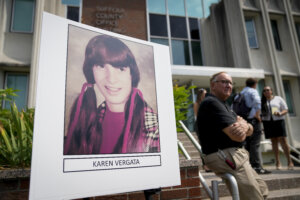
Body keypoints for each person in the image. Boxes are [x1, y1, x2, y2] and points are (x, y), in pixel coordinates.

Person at [64, 35, 160, 155]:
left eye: (120, 68)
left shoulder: (155, 129)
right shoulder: (86, 121)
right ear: (91, 72)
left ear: (132, 74)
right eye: (101, 66)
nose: (111, 79)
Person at [197, 72, 268, 200]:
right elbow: (238, 137)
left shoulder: (225, 105)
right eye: (224, 82)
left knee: (262, 190)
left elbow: (249, 130)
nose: (228, 85)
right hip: (225, 154)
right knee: (253, 197)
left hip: (236, 155)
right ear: (213, 85)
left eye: (230, 82)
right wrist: (244, 125)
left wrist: (244, 125)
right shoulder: (212, 103)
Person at [239, 78, 271, 174]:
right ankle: (257, 167)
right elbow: (258, 102)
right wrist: (257, 115)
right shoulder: (253, 91)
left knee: (248, 144)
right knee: (255, 144)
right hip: (253, 120)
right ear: (255, 84)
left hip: (244, 121)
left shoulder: (242, 92)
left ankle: (250, 166)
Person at [261, 86, 294, 170]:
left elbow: (286, 109)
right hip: (268, 122)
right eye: (264, 91)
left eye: (268, 90)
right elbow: (261, 114)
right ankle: (278, 162)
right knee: (274, 142)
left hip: (278, 121)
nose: (266, 92)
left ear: (271, 91)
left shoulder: (278, 99)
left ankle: (289, 161)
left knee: (283, 141)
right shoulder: (262, 101)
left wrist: (280, 113)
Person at [193, 88, 211, 172]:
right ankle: (205, 165)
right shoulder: (197, 104)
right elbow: (197, 115)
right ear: (200, 95)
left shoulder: (208, 102)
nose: (206, 95)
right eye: (204, 94)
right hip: (200, 125)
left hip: (208, 124)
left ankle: (211, 164)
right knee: (203, 145)